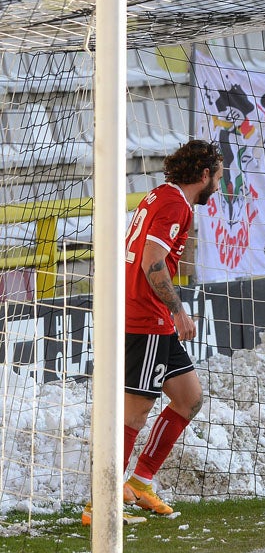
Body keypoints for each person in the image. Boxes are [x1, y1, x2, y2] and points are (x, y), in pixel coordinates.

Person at [83, 140, 223, 526]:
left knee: (189, 399)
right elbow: (152, 262)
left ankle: (141, 482)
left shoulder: (162, 195)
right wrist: (178, 311)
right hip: (146, 319)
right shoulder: (176, 205)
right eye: (219, 175)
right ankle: (102, 502)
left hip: (150, 316)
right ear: (205, 174)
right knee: (135, 412)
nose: (220, 184)